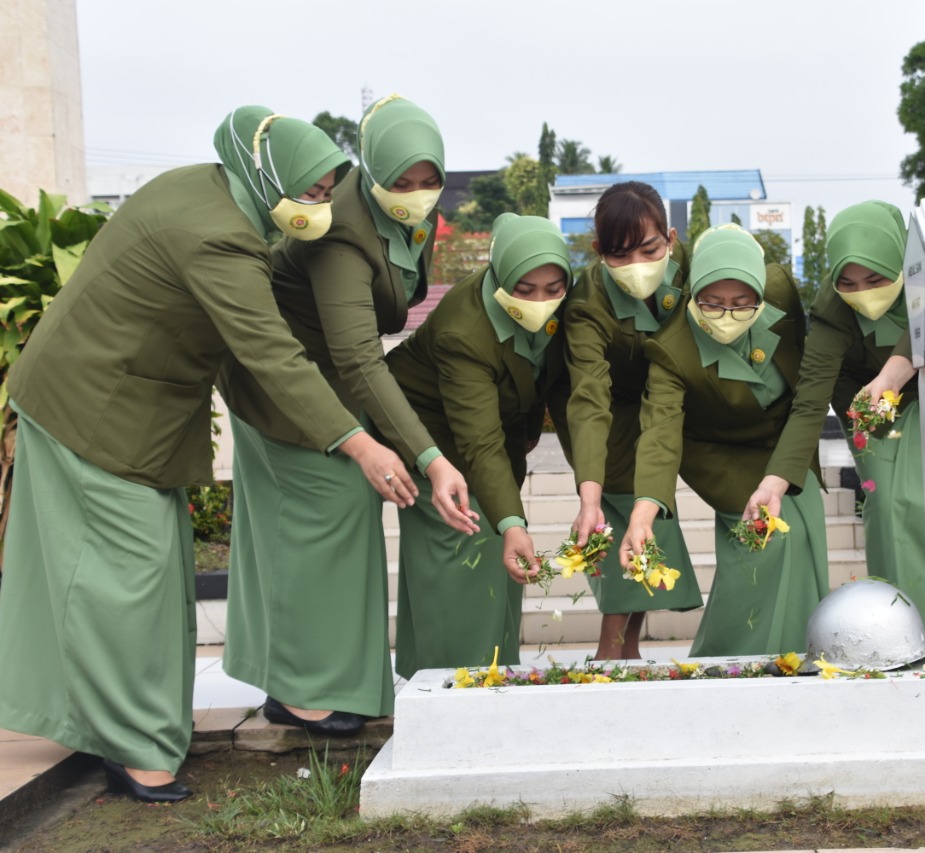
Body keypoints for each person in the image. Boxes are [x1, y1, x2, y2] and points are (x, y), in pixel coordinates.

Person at [0, 107, 417, 802]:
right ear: (266, 173)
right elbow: (271, 353)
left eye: (325, 190)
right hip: (91, 406)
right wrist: (361, 442)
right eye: (309, 191)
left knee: (151, 579)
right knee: (129, 582)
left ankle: (117, 722)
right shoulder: (220, 236)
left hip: (132, 409)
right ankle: (135, 747)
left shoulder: (211, 189)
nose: (318, 205)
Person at [219, 95, 477, 737]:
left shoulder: (411, 215)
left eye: (429, 182)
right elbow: (362, 357)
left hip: (333, 380)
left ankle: (336, 678)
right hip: (284, 383)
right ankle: (298, 690)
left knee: (349, 512)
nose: (417, 195)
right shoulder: (339, 232)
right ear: (375, 172)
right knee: (320, 514)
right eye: (402, 182)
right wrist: (429, 456)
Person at [747, 201, 925, 631]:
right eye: (848, 282)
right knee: (887, 497)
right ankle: (900, 623)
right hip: (865, 400)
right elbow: (810, 404)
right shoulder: (832, 311)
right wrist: (772, 482)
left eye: (875, 278)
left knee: (924, 498)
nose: (862, 292)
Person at [621, 225, 829, 656]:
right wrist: (645, 510)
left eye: (741, 304)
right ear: (693, 293)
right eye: (712, 303)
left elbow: (807, 387)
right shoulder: (671, 348)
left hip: (786, 438)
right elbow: (660, 431)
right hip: (722, 450)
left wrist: (781, 471)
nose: (727, 314)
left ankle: (799, 654)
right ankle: (728, 660)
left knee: (803, 531)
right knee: (761, 545)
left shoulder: (780, 292)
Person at [389, 213, 572, 675]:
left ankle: (491, 673)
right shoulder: (462, 330)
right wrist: (511, 520)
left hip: (494, 429)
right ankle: (454, 685)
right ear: (498, 277)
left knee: (501, 549)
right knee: (466, 540)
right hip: (430, 429)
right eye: (524, 290)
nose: (541, 302)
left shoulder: (568, 303)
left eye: (553, 289)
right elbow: (480, 442)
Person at [562, 182, 702, 660]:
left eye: (650, 248)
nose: (639, 265)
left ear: (671, 236)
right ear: (599, 252)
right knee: (615, 513)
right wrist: (588, 494)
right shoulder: (587, 302)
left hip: (665, 410)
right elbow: (588, 399)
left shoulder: (691, 279)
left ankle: (630, 648)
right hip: (606, 416)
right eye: (620, 255)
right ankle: (609, 651)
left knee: (650, 515)